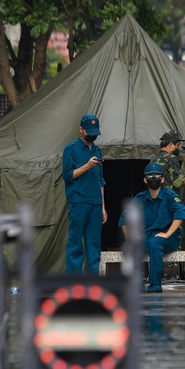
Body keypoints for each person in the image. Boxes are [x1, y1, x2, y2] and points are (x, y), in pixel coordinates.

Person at [119, 163, 185, 293]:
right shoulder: (140, 198)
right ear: (145, 180)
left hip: (170, 237)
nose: (153, 178)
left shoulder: (169, 196)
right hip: (148, 236)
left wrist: (167, 234)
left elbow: (181, 213)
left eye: (157, 176)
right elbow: (124, 218)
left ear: (162, 179)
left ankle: (155, 285)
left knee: (154, 243)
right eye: (150, 176)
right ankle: (137, 285)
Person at [62, 113, 106, 273]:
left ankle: (92, 280)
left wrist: (103, 206)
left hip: (95, 203)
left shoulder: (97, 150)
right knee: (75, 242)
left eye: (95, 131)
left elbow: (101, 180)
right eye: (89, 131)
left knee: (94, 243)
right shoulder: (70, 149)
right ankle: (73, 280)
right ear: (81, 129)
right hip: (78, 202)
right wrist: (87, 166)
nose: (92, 135)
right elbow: (67, 176)